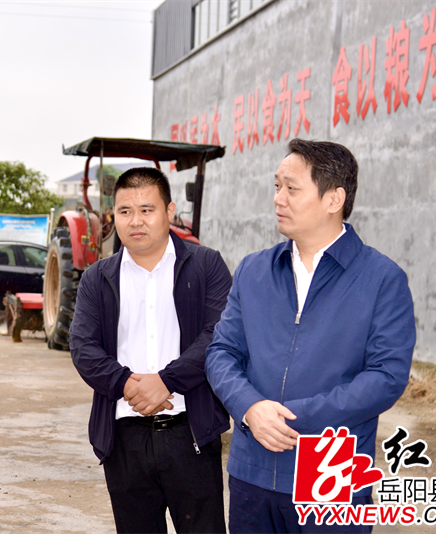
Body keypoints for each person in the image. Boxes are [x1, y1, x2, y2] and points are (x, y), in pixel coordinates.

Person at [206, 139, 415, 534]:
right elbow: (222, 352)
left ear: (334, 199)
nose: (278, 199)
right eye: (276, 186)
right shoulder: (254, 270)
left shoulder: (381, 279)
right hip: (252, 471)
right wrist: (250, 408)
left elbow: (386, 377)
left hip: (331, 473)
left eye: (291, 188)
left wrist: (292, 417)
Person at [69, 167, 233, 534]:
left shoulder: (206, 265)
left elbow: (219, 335)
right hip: (124, 437)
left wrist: (167, 381)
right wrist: (127, 384)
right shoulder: (97, 278)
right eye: (125, 211)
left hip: (191, 433)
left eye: (147, 209)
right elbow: (83, 347)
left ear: (169, 211)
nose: (135, 221)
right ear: (113, 215)